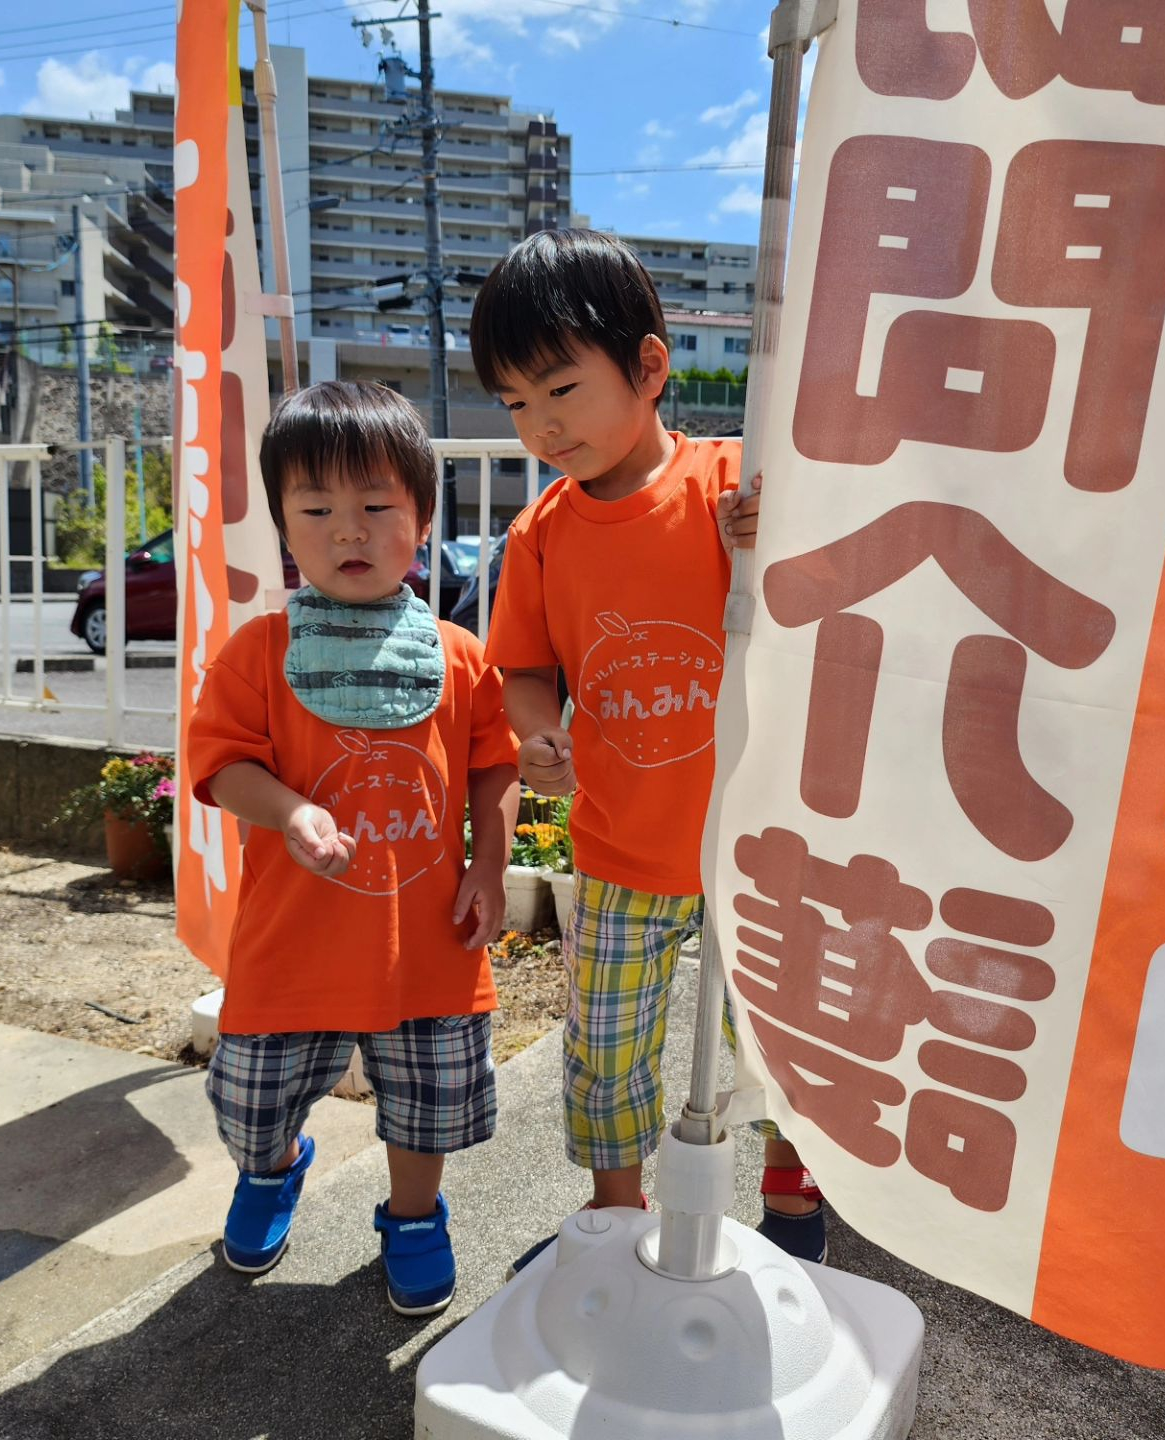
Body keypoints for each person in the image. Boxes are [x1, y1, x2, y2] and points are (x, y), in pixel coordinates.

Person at [471, 228, 826, 1268]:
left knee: (773, 1034)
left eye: (561, 390)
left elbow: (827, 609)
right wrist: (540, 730)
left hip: (755, 846)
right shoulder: (541, 533)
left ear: (651, 367)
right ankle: (615, 1206)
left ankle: (794, 1180)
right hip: (623, 847)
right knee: (608, 1048)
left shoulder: (736, 485)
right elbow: (525, 666)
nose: (541, 426)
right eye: (515, 404)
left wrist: (780, 537)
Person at [187, 380, 519, 1315]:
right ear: (286, 528)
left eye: (377, 506)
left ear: (421, 518)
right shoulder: (257, 652)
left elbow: (495, 766)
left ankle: (414, 1217)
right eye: (318, 509)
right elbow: (220, 764)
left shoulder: (458, 654)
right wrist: (289, 811)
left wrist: (489, 866)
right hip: (290, 945)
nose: (350, 531)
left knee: (427, 1102)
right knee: (249, 1105)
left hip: (428, 947)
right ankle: (275, 1168)